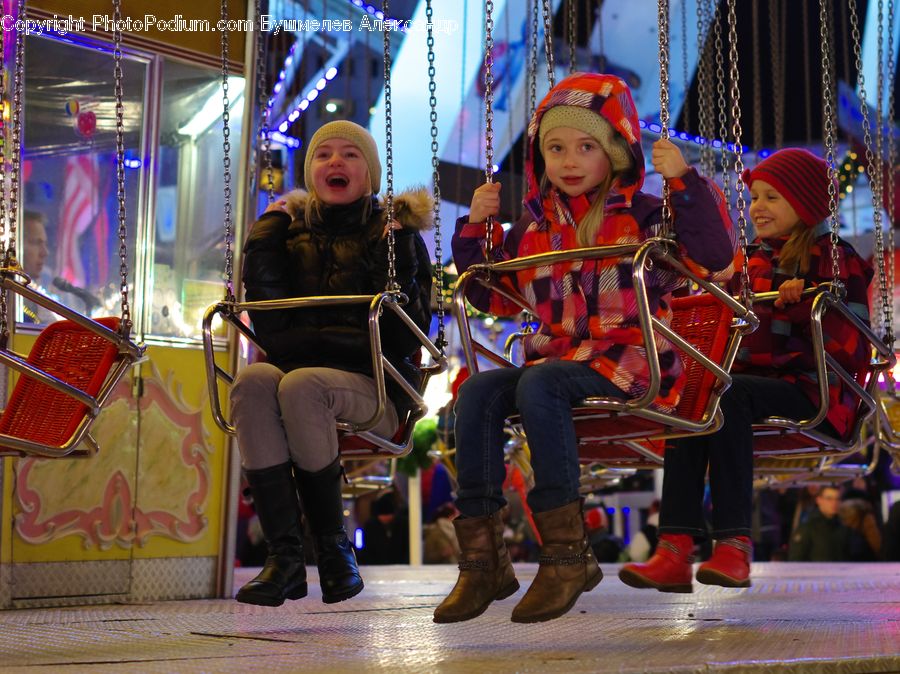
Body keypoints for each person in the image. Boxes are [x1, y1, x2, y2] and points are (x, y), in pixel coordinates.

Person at [433, 73, 737, 624]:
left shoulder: (647, 215)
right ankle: (483, 559)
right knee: (478, 390)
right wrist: (475, 229)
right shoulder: (534, 227)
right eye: (555, 148)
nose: (569, 161)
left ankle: (567, 554)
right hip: (562, 361)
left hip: (631, 362)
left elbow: (714, 257)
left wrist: (685, 184)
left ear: (616, 151)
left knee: (539, 381)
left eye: (586, 146)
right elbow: (490, 295)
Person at [620, 148, 873, 591]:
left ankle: (733, 543)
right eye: (754, 197)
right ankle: (674, 547)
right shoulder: (749, 259)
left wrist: (803, 304)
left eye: (772, 197)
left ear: (807, 206)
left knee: (727, 393)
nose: (758, 207)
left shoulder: (833, 256)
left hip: (820, 392)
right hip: (757, 387)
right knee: (693, 400)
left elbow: (849, 344)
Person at [230, 120, 433, 606]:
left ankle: (333, 546)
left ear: (371, 176)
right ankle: (285, 557)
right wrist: (265, 230)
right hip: (301, 380)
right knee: (254, 379)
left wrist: (400, 242)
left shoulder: (393, 235)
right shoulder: (286, 236)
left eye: (350, 155)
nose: (335, 162)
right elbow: (271, 330)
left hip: (379, 389)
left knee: (300, 382)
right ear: (310, 172)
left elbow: (401, 334)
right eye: (323, 155)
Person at [788, 485, 852, 561]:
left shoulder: (845, 526)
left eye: (837, 499)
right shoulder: (808, 526)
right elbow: (796, 558)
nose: (834, 503)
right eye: (829, 499)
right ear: (819, 500)